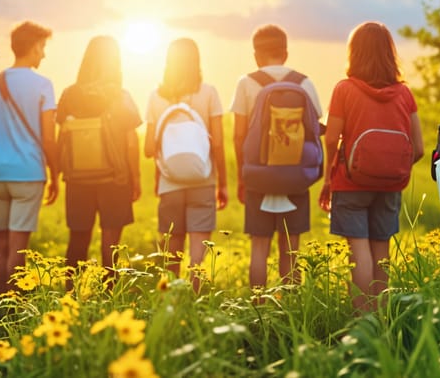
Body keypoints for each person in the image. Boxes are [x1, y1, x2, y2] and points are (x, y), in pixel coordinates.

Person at [319, 22, 423, 312]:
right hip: (390, 185)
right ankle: (382, 317)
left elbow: (330, 138)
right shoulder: (404, 93)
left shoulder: (344, 89)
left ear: (355, 53)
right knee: (381, 251)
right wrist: (393, 167)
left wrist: (330, 175)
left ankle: (362, 318)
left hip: (351, 182)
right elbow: (420, 148)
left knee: (359, 249)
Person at [231, 25, 323, 288]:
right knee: (291, 248)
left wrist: (242, 176)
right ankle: (291, 308)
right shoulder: (304, 83)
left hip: (258, 175)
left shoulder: (246, 83)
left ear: (256, 55)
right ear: (285, 52)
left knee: (259, 248)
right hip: (296, 176)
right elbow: (315, 130)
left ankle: (258, 307)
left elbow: (239, 136)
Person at [0, 21, 59, 293]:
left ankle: (2, 302)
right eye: (43, 47)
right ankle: (14, 309)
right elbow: (49, 138)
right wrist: (56, 174)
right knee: (18, 247)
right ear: (34, 47)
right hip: (28, 173)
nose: (44, 54)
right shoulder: (43, 85)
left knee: (1, 243)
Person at [145, 38, 227, 291]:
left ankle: (170, 306)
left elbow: (148, 149)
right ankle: (196, 306)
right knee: (197, 259)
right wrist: (223, 183)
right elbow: (218, 144)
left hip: (170, 185)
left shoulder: (156, 97)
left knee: (171, 256)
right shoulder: (208, 92)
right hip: (203, 182)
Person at [56, 36, 142, 278]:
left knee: (78, 239)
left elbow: (61, 137)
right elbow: (131, 141)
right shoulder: (121, 96)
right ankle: (110, 298)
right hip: (115, 177)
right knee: (111, 241)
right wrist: (135, 177)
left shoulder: (69, 95)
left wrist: (57, 172)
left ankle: (71, 296)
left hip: (77, 178)